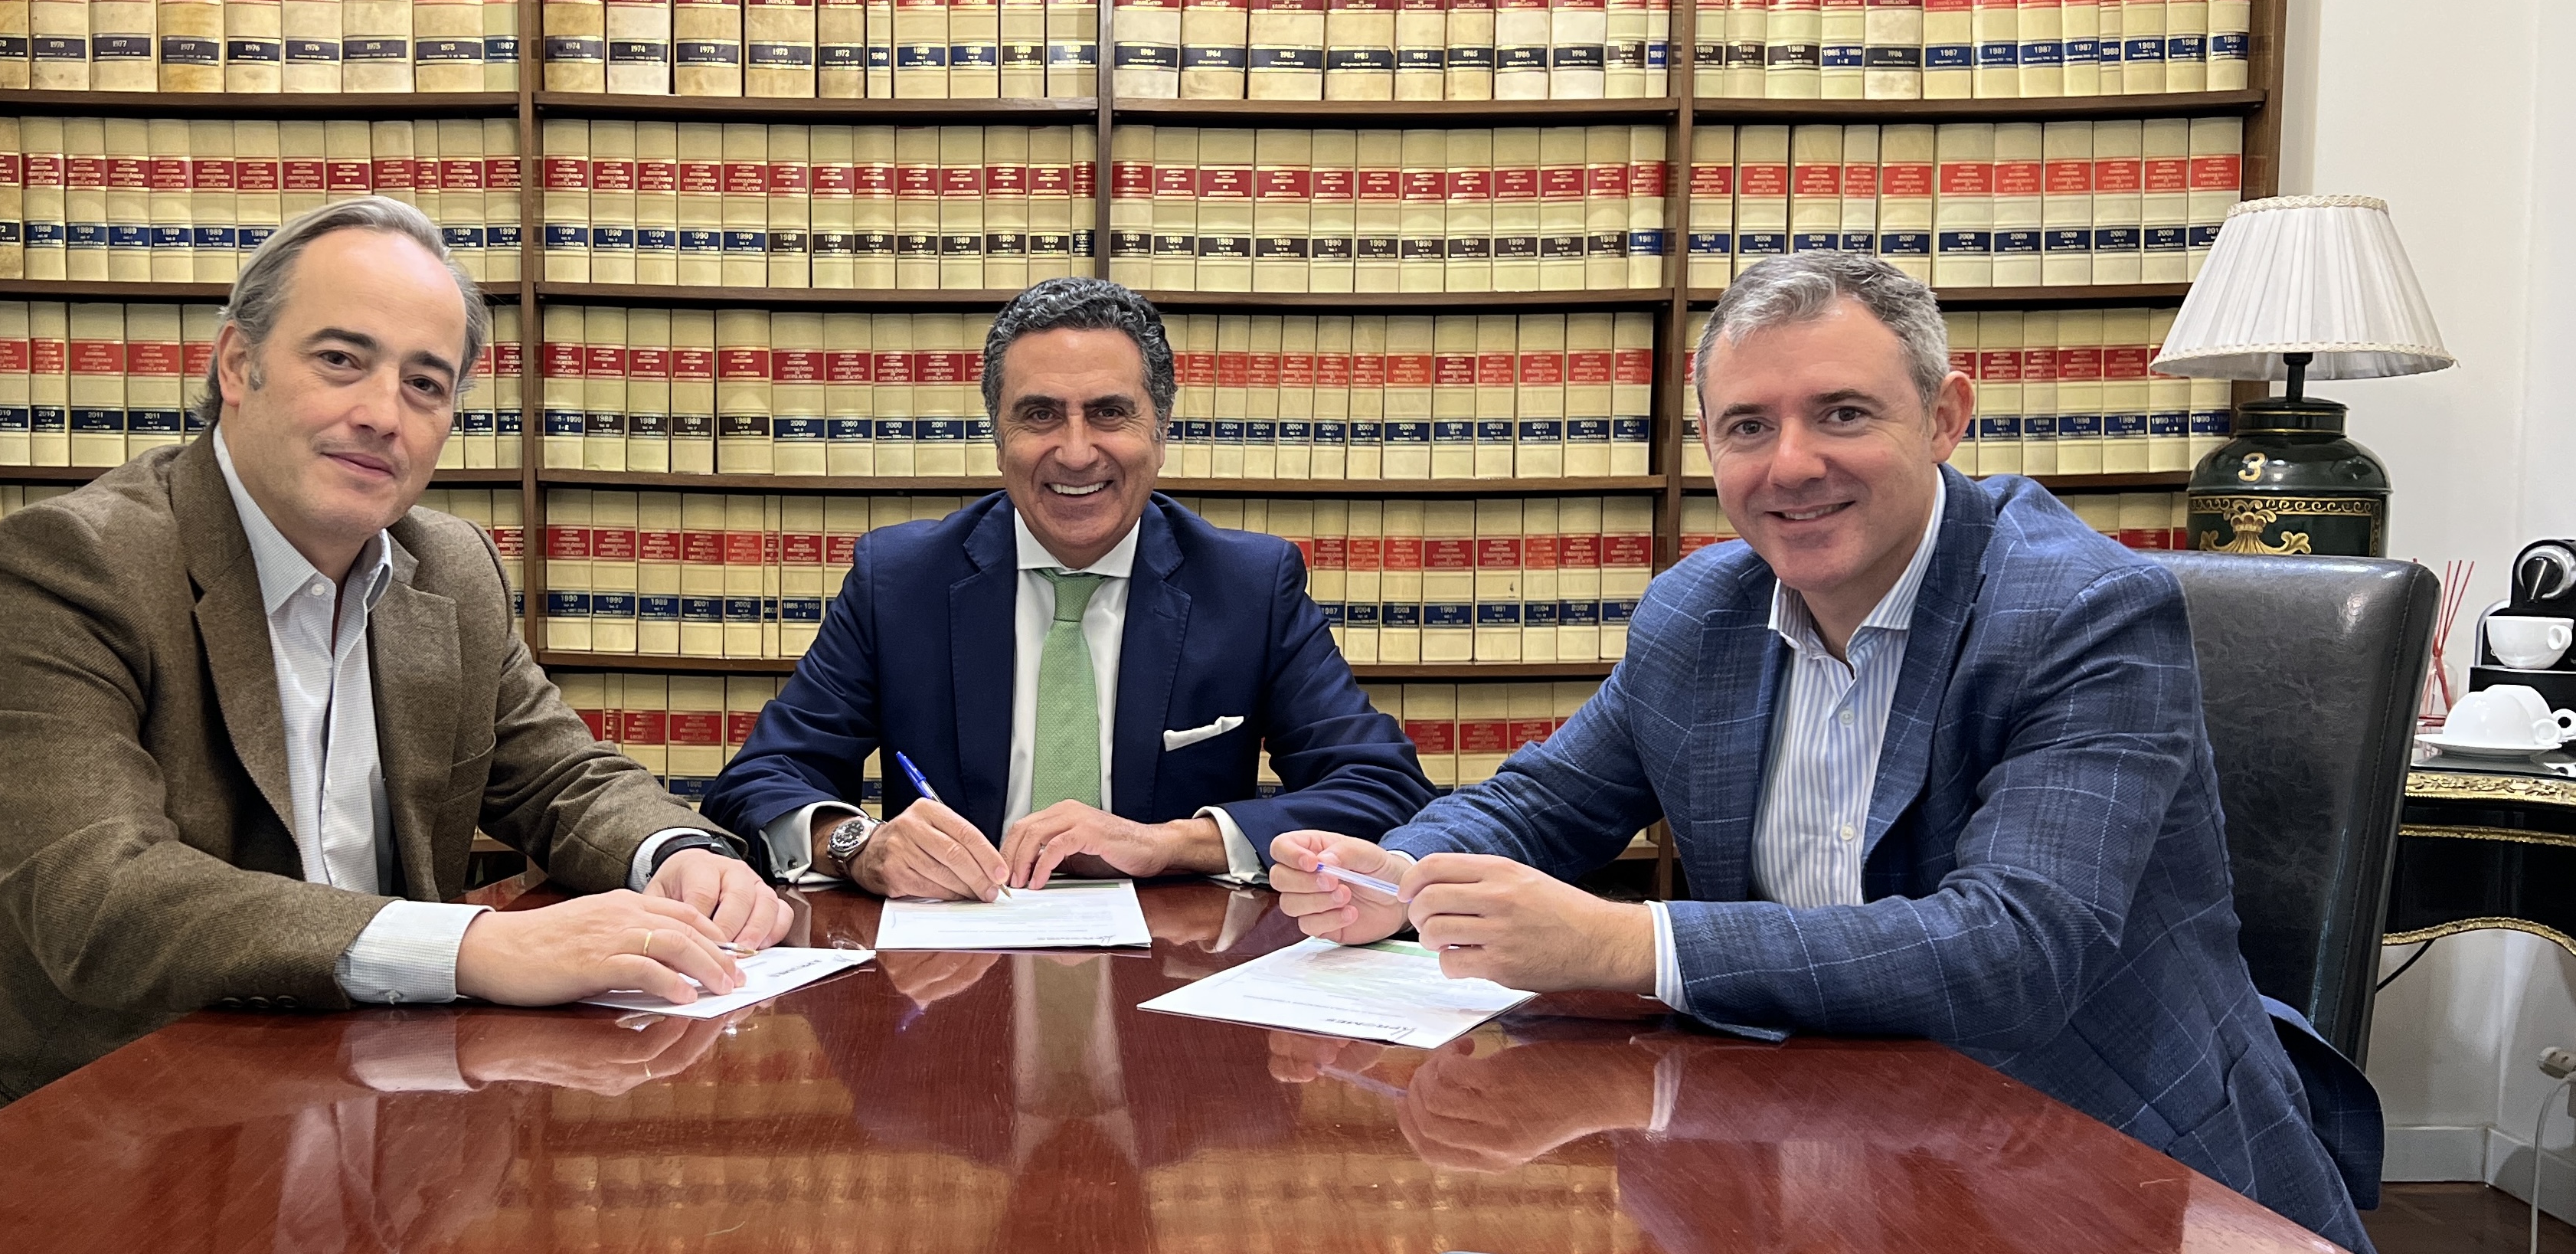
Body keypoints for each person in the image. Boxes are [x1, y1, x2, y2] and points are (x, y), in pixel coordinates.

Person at [1270, 253, 2376, 1251]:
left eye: (1841, 414)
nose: (1790, 465)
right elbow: (1540, 804)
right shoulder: (1698, 613)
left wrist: (1623, 942)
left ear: (1944, 417)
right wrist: (1397, 873)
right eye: (1747, 427)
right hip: (1807, 1136)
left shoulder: (2083, 612)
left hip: (2097, 1158)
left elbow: (2014, 951)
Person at [0, 198, 789, 1207]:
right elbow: (99, 898)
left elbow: (564, 779)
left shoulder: (449, 571)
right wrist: (475, 945)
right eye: (340, 360)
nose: (382, 414)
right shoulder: (70, 568)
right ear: (238, 365)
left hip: (334, 1113)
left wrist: (677, 855)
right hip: (52, 1145)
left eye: (424, 384)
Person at [703, 277, 1436, 898]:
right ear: (997, 433)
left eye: (1109, 412)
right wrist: (859, 844)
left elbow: (1383, 786)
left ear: (1160, 427)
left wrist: (1170, 843)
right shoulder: (899, 580)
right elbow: (759, 781)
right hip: (949, 958)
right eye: (1040, 414)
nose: (1077, 451)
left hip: (1177, 960)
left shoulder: (1249, 585)